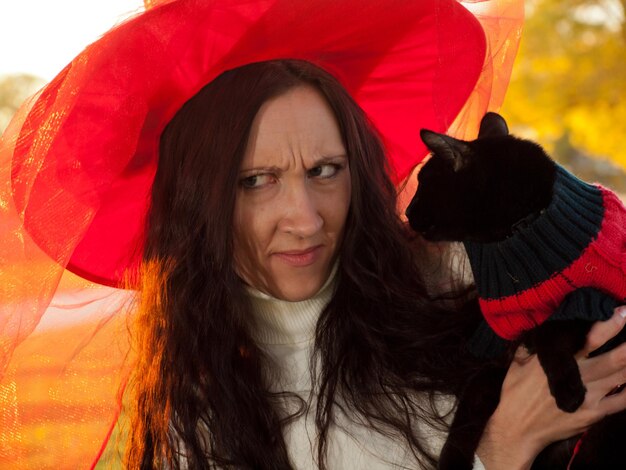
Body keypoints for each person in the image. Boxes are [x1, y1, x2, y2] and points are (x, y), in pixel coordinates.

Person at [2, 1, 626, 469]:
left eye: (325, 170)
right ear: (198, 202)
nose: (305, 218)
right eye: (255, 180)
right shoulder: (193, 413)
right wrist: (502, 448)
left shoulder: (466, 276)